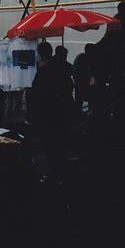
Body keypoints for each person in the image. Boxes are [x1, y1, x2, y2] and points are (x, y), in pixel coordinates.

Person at [31, 42, 74, 180]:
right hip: (60, 112)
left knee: (48, 144)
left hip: (46, 114)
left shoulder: (42, 72)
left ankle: (51, 172)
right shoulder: (63, 68)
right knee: (60, 143)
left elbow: (36, 95)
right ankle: (60, 170)